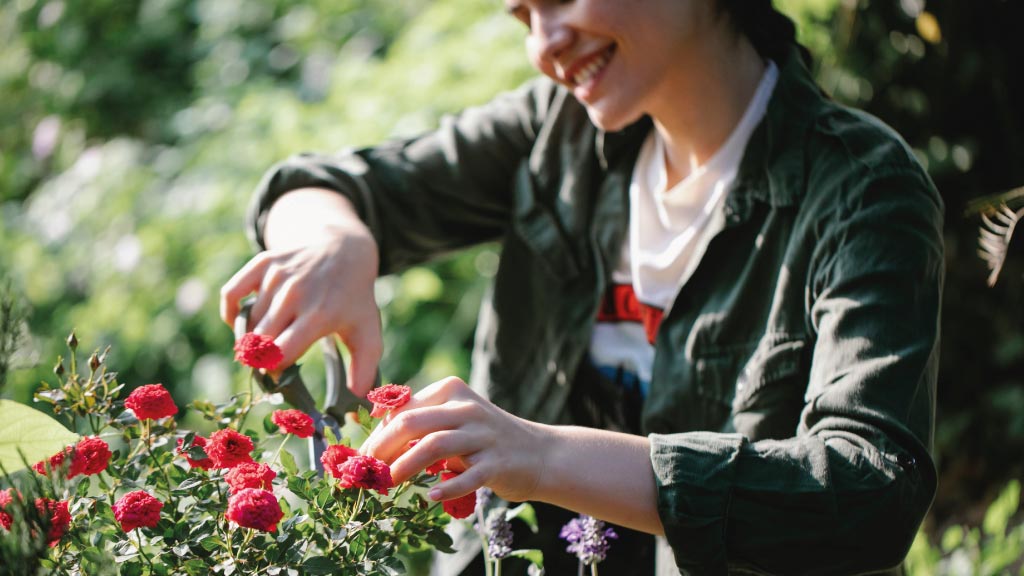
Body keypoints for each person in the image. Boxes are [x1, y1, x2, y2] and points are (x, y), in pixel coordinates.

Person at [220, 0, 944, 574]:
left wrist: (539, 455)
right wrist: (335, 242)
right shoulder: (554, 131)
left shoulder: (859, 186)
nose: (544, 44)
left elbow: (868, 492)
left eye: (561, 0)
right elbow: (323, 186)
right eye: (523, 16)